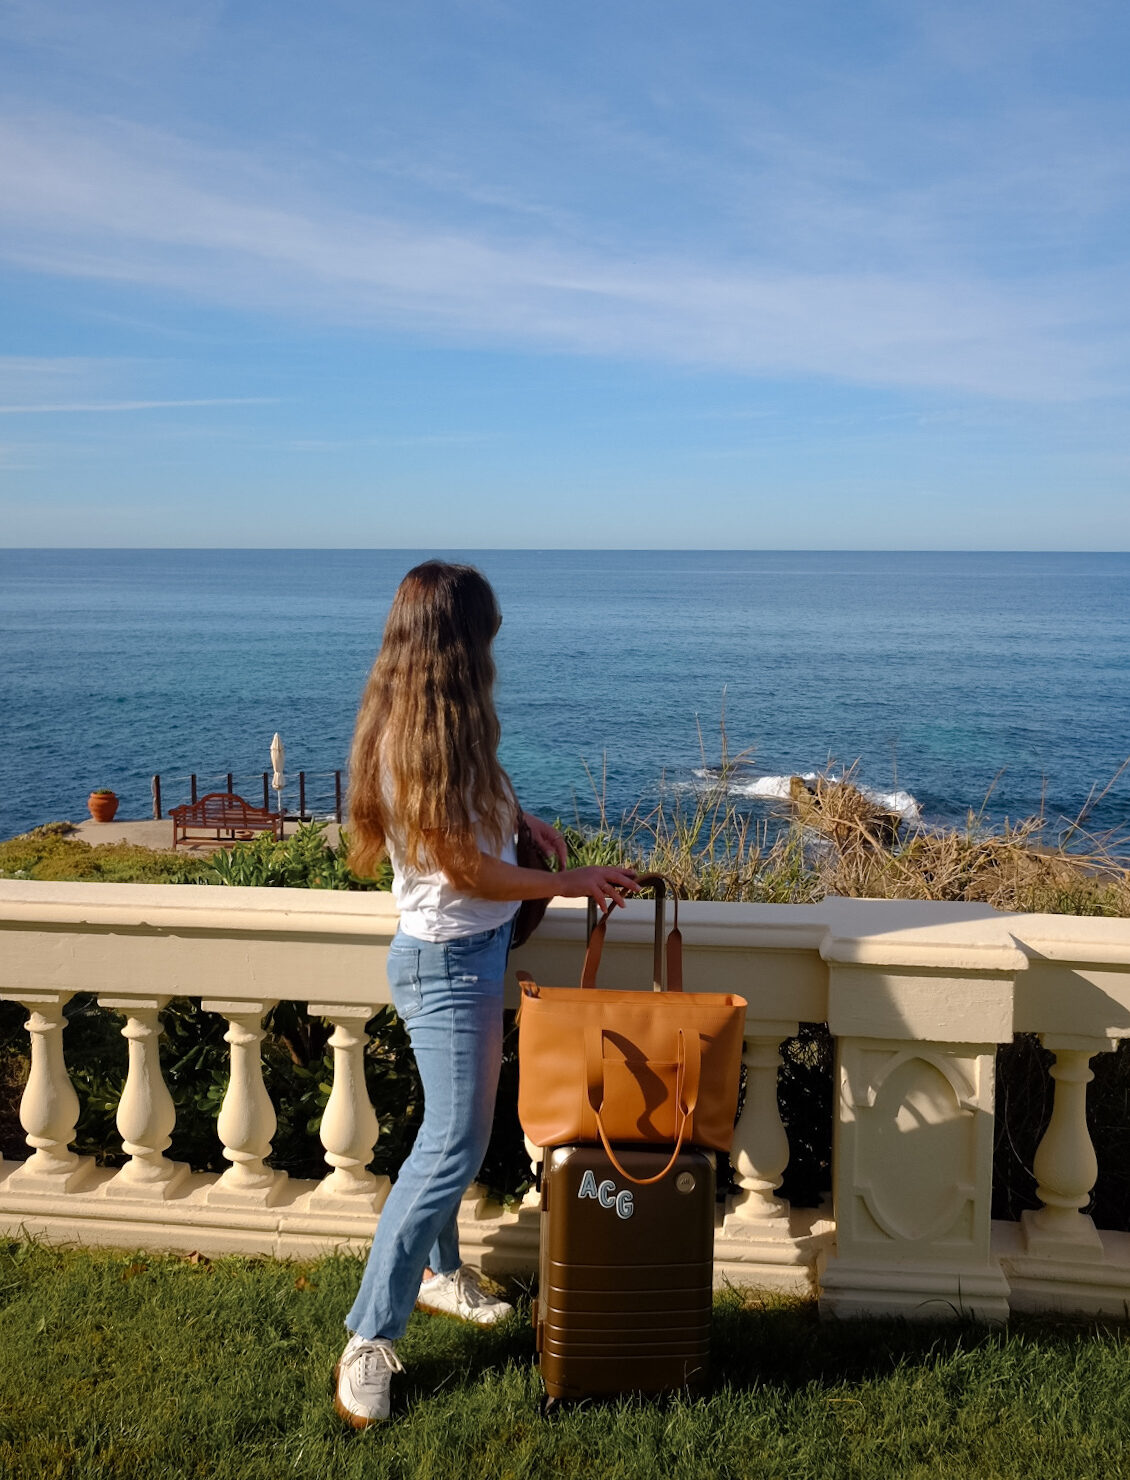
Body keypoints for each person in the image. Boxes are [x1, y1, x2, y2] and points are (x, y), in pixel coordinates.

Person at [335, 560, 638, 1427]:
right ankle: (368, 1336)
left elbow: (473, 820)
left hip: (470, 951)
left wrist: (525, 820)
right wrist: (568, 879)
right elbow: (461, 867)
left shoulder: (439, 722)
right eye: (485, 637)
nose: (492, 653)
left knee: (442, 1134)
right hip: (447, 965)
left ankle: (438, 1275)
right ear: (457, 645)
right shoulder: (412, 738)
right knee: (453, 1151)